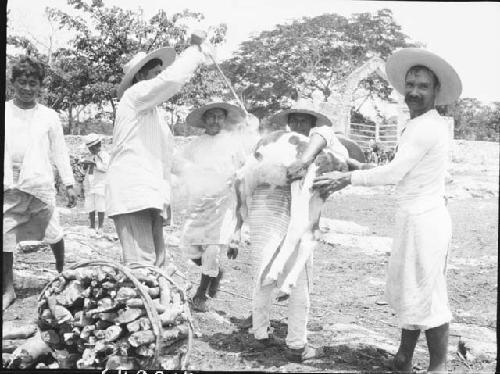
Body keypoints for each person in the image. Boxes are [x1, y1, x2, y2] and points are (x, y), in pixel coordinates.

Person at [313, 48, 462, 373]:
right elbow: (403, 168)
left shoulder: (425, 128)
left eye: (423, 86)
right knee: (413, 289)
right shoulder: (423, 123)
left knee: (429, 294)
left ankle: (438, 367)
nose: (414, 92)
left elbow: (393, 174)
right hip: (416, 217)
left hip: (425, 220)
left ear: (436, 91)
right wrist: (356, 164)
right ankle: (403, 358)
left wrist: (348, 177)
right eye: (410, 84)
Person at [244, 101, 353, 362]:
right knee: (278, 274)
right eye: (295, 120)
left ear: (313, 124)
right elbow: (248, 176)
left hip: (297, 215)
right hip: (276, 215)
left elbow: (339, 160)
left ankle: (262, 332)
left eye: (305, 121)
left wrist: (310, 163)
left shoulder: (321, 147)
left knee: (279, 273)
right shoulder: (273, 144)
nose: (299, 125)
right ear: (289, 122)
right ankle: (293, 344)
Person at [105, 31, 213, 268]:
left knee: (156, 263)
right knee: (141, 265)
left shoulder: (155, 117)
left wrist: (203, 173)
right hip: (132, 192)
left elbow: (168, 157)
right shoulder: (133, 97)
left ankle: (151, 304)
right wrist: (196, 52)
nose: (159, 78)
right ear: (140, 77)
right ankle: (139, 305)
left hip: (151, 194)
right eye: (155, 74)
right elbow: (172, 81)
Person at [3, 55, 77, 310]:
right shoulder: (5, 111)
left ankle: (60, 273)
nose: (26, 88)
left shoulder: (49, 116)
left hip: (39, 181)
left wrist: (68, 182)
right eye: (22, 82)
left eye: (32, 83)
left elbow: (60, 151)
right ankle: (8, 288)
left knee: (53, 231)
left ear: (40, 86)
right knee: (6, 235)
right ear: (13, 83)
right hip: (9, 183)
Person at [175, 102, 257, 312]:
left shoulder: (232, 142)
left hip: (223, 201)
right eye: (210, 116)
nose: (214, 120)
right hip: (199, 200)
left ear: (224, 119)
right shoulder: (195, 144)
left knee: (212, 249)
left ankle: (201, 293)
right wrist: (191, 173)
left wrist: (236, 178)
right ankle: (216, 273)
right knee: (190, 247)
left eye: (219, 117)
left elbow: (246, 166)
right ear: (204, 119)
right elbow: (177, 164)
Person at [81, 133, 110, 237]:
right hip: (89, 183)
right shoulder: (89, 156)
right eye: (90, 149)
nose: (91, 151)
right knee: (90, 205)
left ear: (98, 146)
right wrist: (85, 166)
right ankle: (92, 226)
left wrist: (95, 164)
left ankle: (101, 226)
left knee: (100, 205)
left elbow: (105, 168)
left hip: (100, 184)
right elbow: (84, 172)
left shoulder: (105, 155)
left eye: (92, 149)